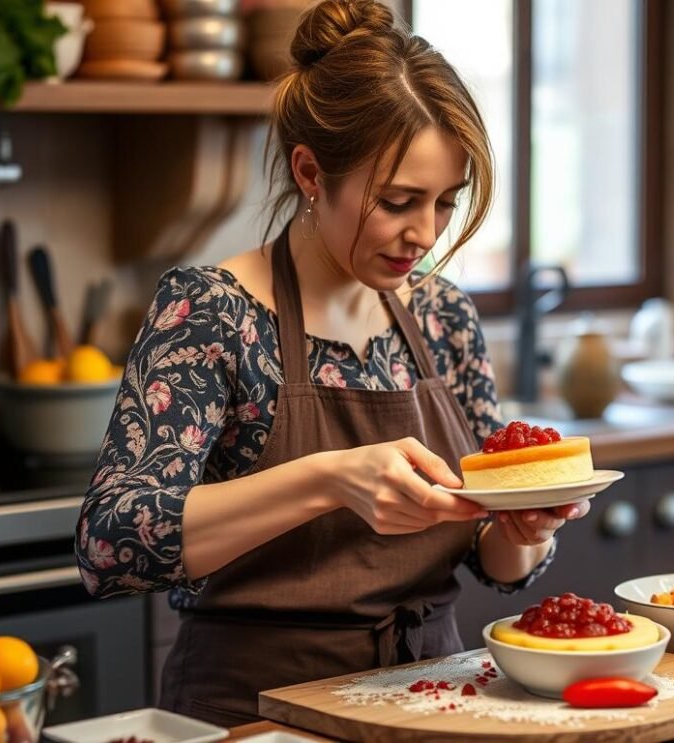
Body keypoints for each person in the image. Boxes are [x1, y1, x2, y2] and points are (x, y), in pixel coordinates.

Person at [74, 0, 588, 727]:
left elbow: (488, 557)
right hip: (253, 711)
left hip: (434, 700)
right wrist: (328, 478)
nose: (425, 233)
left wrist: (523, 530)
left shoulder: (443, 316)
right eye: (400, 201)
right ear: (311, 172)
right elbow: (112, 541)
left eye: (447, 202)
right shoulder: (212, 312)